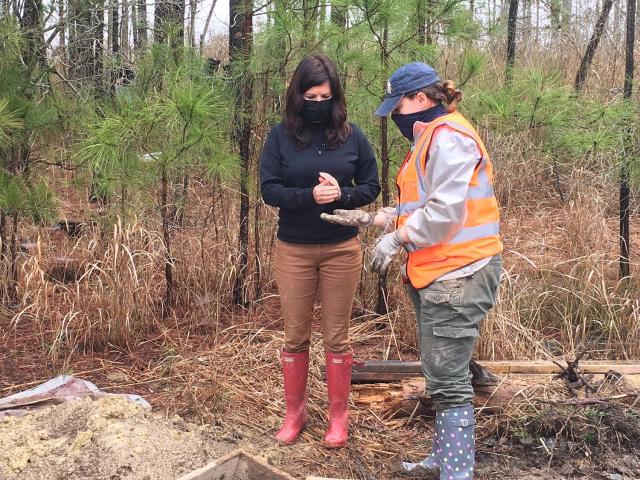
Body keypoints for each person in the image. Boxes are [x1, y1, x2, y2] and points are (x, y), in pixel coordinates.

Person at [322, 62, 503, 478]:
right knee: (440, 373)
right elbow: (421, 206)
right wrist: (374, 219)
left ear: (421, 99)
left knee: (450, 380)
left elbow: (444, 214)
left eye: (398, 106)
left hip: (460, 272)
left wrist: (397, 239)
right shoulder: (432, 137)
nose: (396, 116)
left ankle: (457, 472)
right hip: (439, 272)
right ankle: (443, 460)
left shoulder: (450, 139)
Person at [260, 53, 381, 449]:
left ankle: (337, 419)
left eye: (324, 96)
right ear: (298, 96)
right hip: (294, 249)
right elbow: (270, 190)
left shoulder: (352, 136)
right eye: (310, 96)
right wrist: (308, 196)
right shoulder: (279, 137)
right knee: (295, 336)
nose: (317, 103)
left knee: (337, 337)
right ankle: (294, 415)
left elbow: (371, 186)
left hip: (341, 251)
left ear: (336, 96)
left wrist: (341, 194)